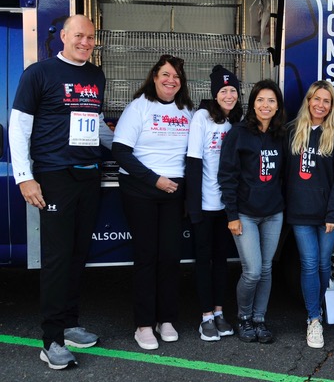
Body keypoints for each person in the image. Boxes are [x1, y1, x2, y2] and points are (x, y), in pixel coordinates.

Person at [9, 14, 112, 370]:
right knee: (55, 260)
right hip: (54, 177)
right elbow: (19, 127)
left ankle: (69, 324)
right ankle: (50, 339)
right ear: (63, 36)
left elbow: (96, 124)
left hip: (89, 177)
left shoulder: (95, 75)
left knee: (76, 254)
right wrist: (25, 176)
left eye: (91, 37)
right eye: (79, 35)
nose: (86, 42)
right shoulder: (39, 73)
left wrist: (127, 153)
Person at [112, 54, 194, 350]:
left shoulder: (187, 111)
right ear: (154, 77)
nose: (171, 80)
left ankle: (166, 319)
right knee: (147, 257)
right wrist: (153, 179)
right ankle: (144, 325)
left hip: (174, 194)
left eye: (176, 77)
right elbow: (120, 152)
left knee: (170, 258)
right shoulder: (139, 108)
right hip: (141, 192)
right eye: (166, 75)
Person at [218, 79, 287, 344]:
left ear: (277, 105)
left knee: (267, 269)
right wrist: (232, 215)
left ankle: (259, 319)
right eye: (260, 100)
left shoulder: (281, 135)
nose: (265, 105)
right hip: (245, 213)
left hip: (273, 213)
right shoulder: (238, 133)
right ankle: (244, 318)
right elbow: (227, 175)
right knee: (253, 271)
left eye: (271, 100)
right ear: (252, 104)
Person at [285, 81, 334, 349]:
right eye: (317, 99)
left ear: (332, 105)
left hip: (327, 215)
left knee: (324, 265)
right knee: (310, 264)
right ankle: (314, 319)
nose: (321, 105)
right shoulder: (292, 131)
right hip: (300, 213)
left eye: (327, 101)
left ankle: (319, 308)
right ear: (308, 100)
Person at [186, 65, 242, 341]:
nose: (229, 95)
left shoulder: (236, 122)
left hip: (227, 207)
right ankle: (205, 315)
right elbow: (193, 163)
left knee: (222, 261)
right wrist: (193, 207)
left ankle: (219, 312)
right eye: (224, 90)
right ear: (214, 94)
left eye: (233, 90)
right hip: (205, 206)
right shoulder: (202, 118)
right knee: (203, 261)